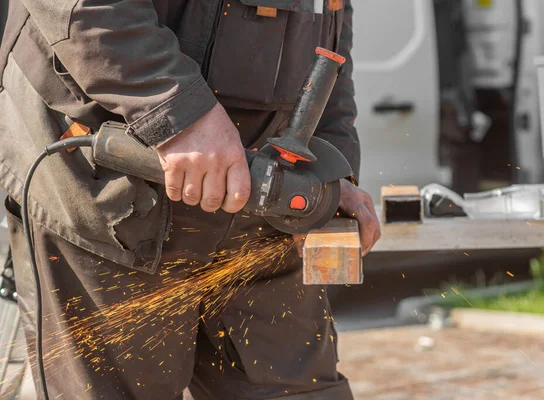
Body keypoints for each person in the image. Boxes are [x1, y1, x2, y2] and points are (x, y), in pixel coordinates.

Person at [0, 0, 381, 399]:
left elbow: (331, 24)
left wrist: (329, 169)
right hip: (113, 192)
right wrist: (175, 110)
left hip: (264, 209)